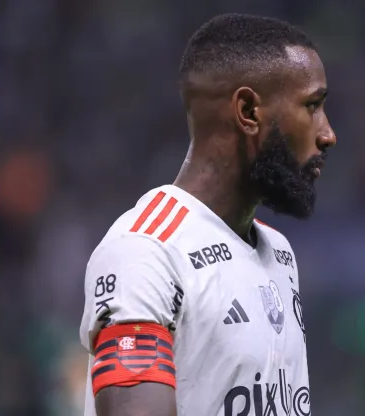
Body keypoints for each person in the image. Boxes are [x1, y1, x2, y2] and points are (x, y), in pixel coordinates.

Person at [79, 13, 336, 416]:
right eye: (313, 105)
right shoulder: (147, 251)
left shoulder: (279, 252)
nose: (327, 134)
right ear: (249, 111)